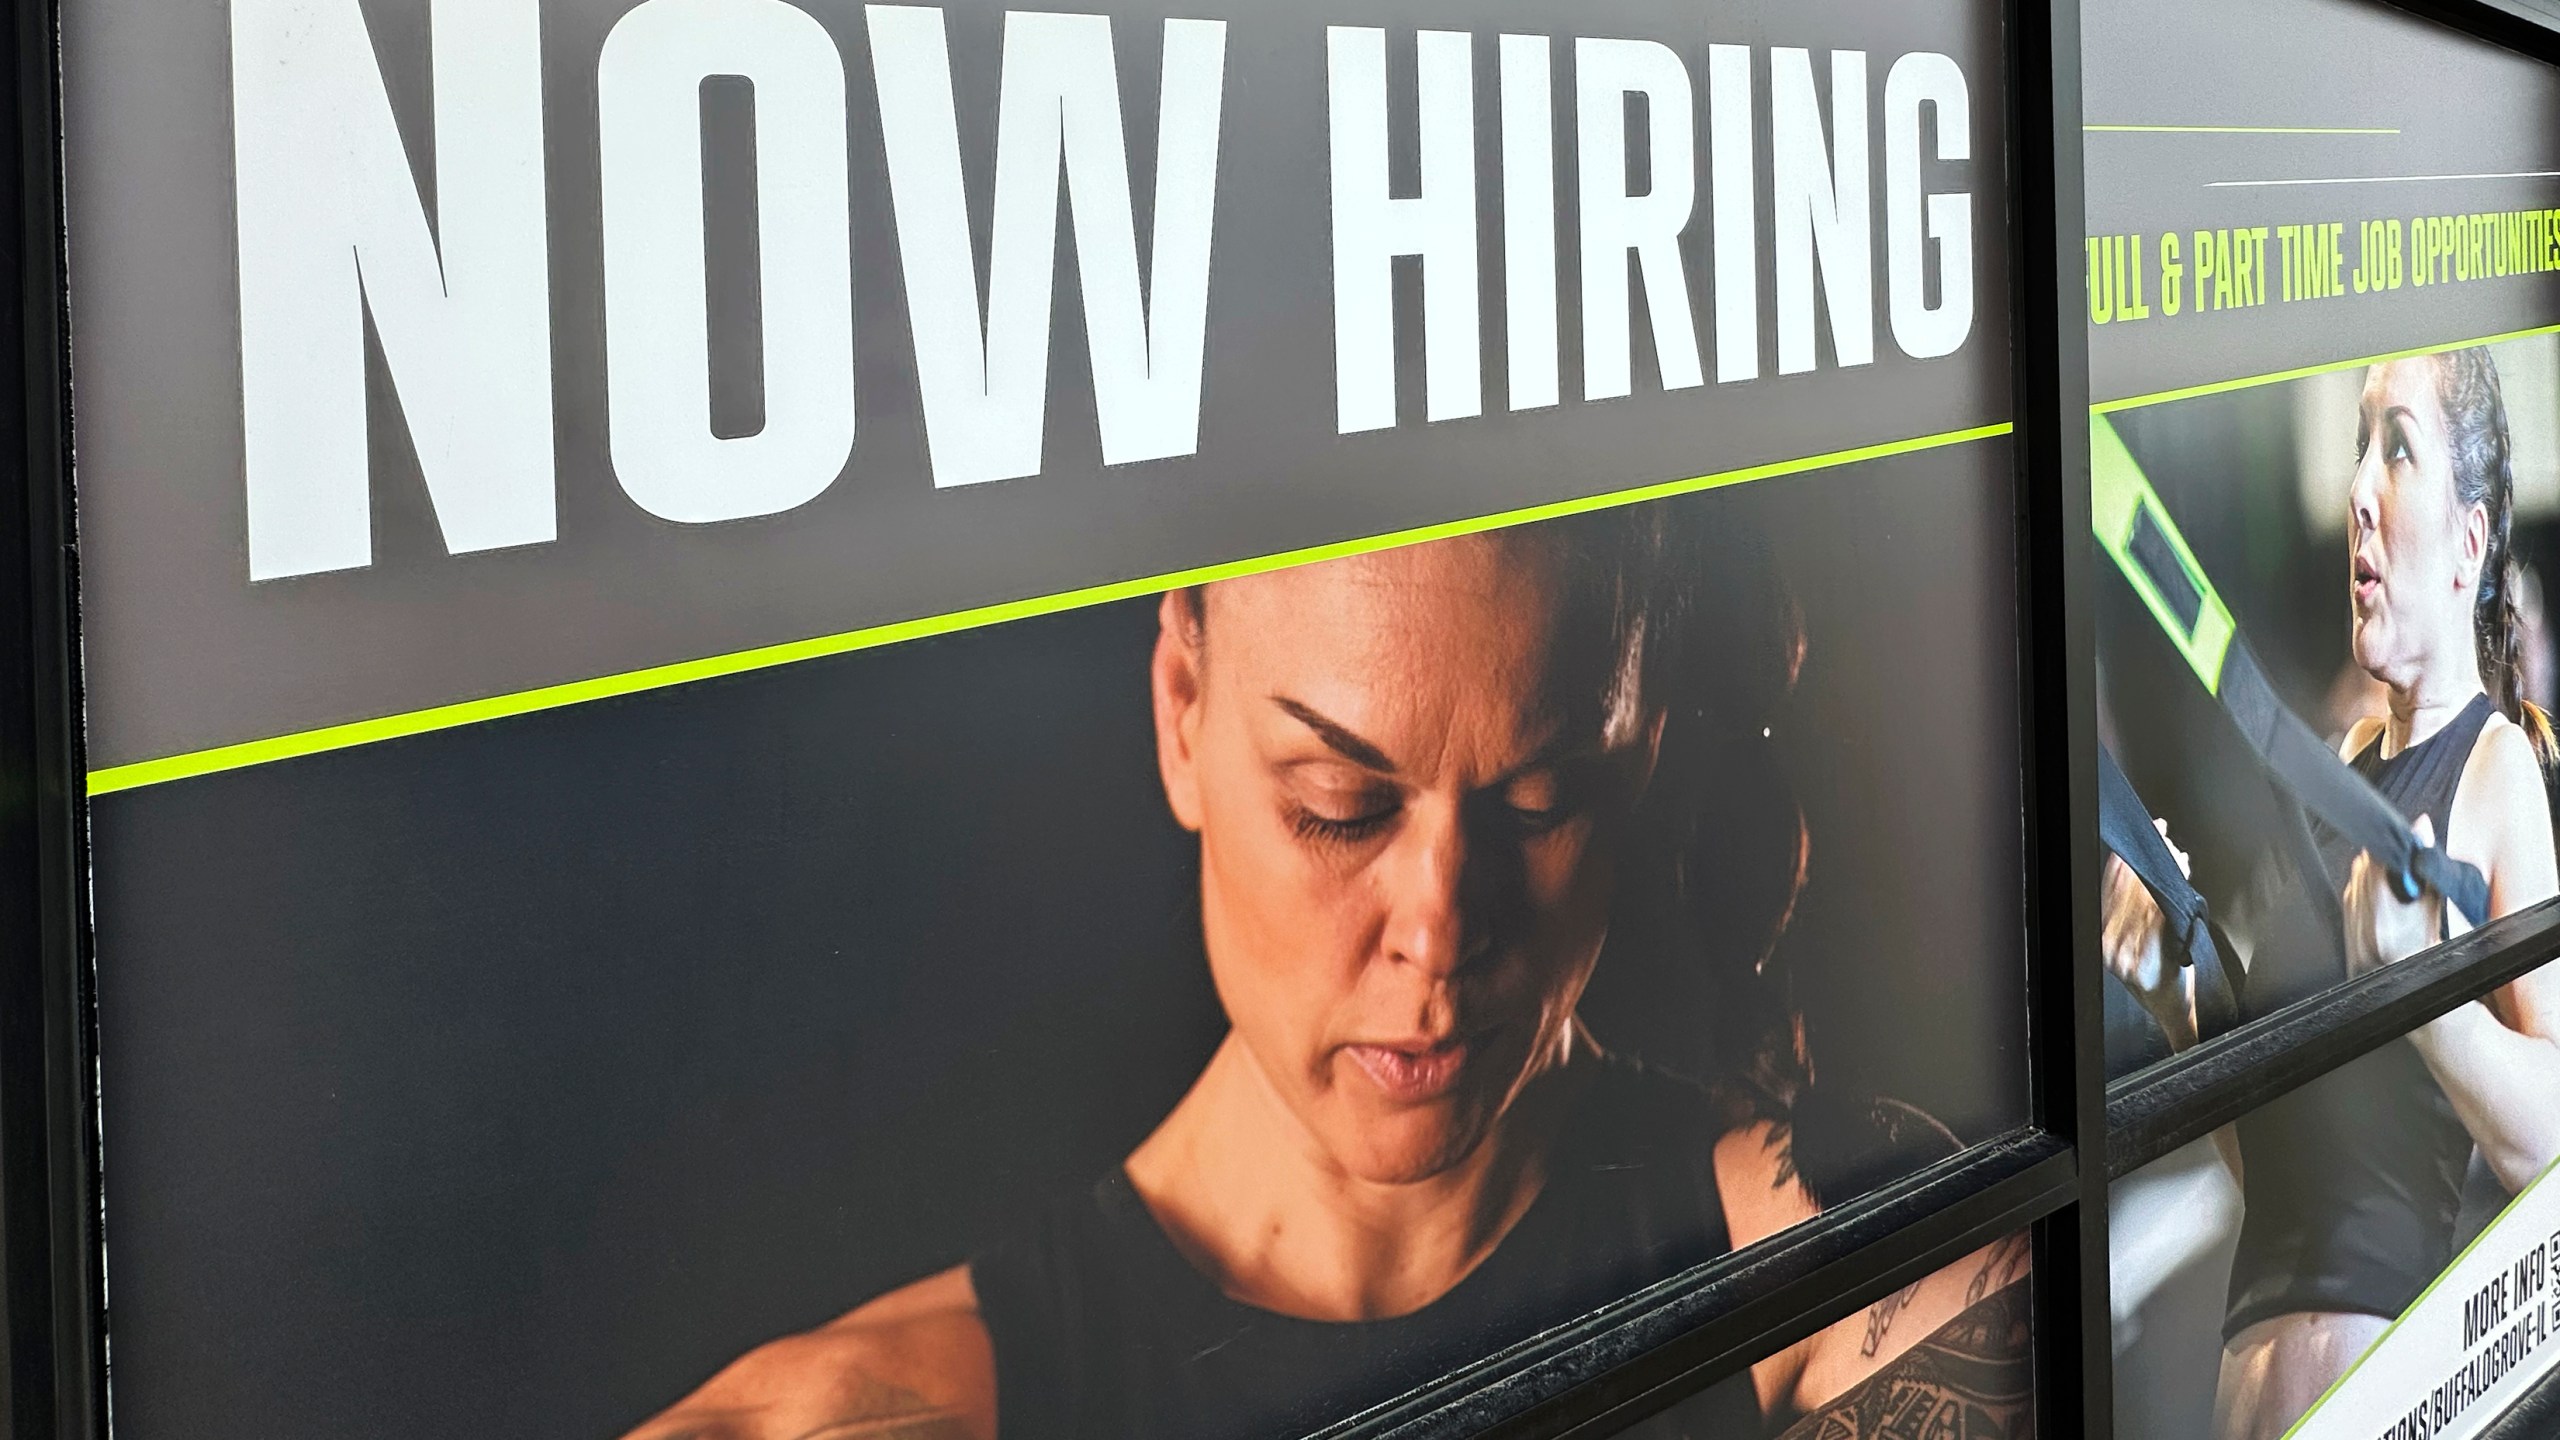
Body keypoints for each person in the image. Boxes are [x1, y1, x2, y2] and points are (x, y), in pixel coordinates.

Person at [620, 514, 2030, 1440]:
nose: (1437, 928)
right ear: (1185, 710)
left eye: (1540, 805)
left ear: (1641, 750)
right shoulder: (863, 1416)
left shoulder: (1865, 1276)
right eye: (1342, 806)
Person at [2100, 349, 2560, 1440]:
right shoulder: (2331, 782)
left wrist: (2429, 997)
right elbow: (2285, 1172)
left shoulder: (2489, 768)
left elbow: (2550, 1149)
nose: (2358, 487)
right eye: (2359, 445)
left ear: (2467, 538)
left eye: (2397, 448)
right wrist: (2182, 1012)